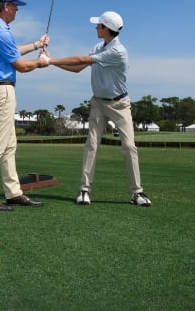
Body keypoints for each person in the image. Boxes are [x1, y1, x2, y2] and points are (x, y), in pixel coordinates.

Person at [41, 11, 152, 207]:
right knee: (91, 145)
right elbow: (77, 68)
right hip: (98, 103)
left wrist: (50, 61)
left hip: (120, 104)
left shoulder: (118, 51)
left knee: (129, 147)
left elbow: (80, 60)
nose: (95, 28)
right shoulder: (98, 47)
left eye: (98, 25)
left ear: (106, 29)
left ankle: (137, 193)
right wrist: (53, 62)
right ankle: (84, 190)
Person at [0, 0, 51, 211]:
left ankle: (13, 192)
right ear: (6, 7)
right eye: (15, 6)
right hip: (1, 91)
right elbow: (21, 65)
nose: (17, 9)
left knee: (9, 145)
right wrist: (41, 62)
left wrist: (37, 45)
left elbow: (14, 50)